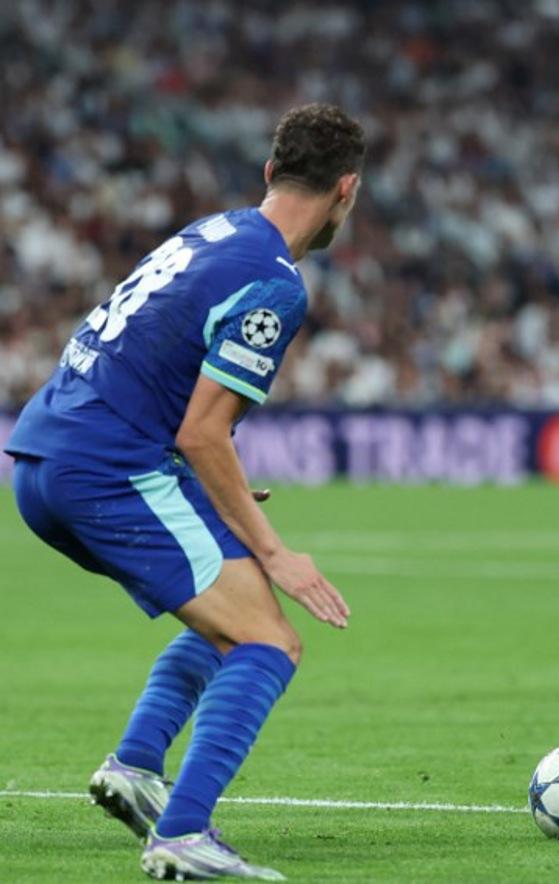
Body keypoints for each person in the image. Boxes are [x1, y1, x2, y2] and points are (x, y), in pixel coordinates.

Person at [5, 103, 363, 880]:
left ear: (270, 172)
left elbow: (164, 385)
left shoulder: (212, 230)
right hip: (108, 467)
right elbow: (205, 431)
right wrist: (277, 553)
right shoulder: (275, 283)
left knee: (224, 619)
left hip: (43, 455)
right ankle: (184, 834)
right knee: (270, 640)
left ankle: (136, 764)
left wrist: (210, 489)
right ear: (347, 190)